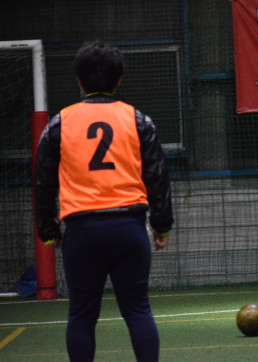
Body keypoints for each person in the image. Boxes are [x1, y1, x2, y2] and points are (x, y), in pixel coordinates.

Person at [35, 40, 174, 361]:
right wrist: (162, 226)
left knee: (82, 316)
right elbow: (157, 177)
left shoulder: (59, 123)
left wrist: (49, 230)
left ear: (79, 80)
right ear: (119, 79)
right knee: (138, 310)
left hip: (82, 232)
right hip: (129, 228)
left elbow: (43, 182)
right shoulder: (139, 120)